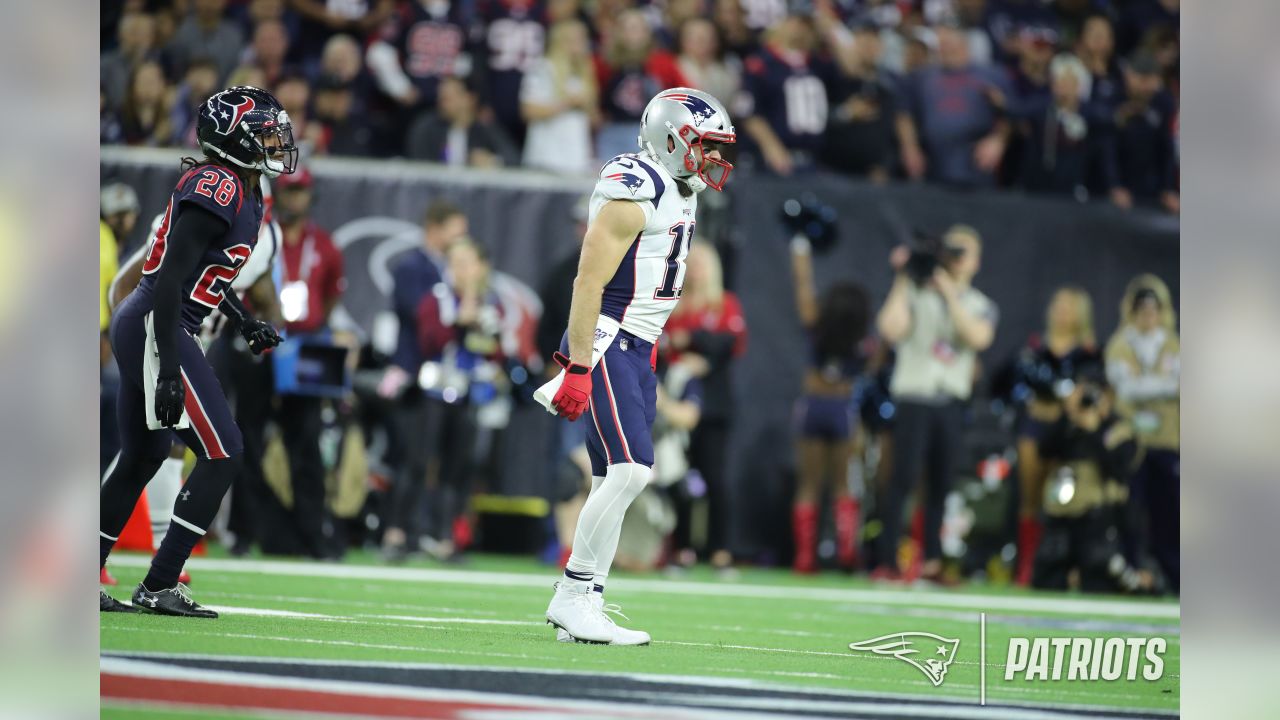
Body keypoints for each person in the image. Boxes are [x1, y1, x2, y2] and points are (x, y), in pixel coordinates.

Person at [538, 87, 735, 645]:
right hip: (610, 339)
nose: (715, 159)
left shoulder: (679, 186)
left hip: (640, 346)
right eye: (706, 146)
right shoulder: (637, 181)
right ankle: (576, 594)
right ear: (671, 140)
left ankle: (585, 597)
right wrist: (578, 366)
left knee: (612, 476)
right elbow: (588, 281)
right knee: (630, 472)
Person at [100, 85, 294, 616]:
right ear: (234, 137)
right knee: (224, 450)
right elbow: (167, 279)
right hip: (158, 321)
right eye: (266, 133)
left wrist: (242, 320)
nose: (277, 141)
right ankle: (161, 582)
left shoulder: (242, 188)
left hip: (157, 322)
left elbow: (204, 273)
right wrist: (166, 366)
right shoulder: (220, 184)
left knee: (142, 456)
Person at [873, 225, 997, 583]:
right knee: (903, 479)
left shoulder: (980, 304)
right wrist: (903, 277)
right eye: (952, 251)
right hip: (915, 396)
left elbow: (978, 337)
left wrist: (950, 293)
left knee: (942, 482)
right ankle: (887, 560)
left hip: (950, 401)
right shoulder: (916, 292)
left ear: (975, 262)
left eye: (964, 253)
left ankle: (932, 561)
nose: (957, 259)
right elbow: (889, 329)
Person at [377, 201, 470, 559]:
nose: (461, 238)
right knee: (412, 458)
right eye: (456, 230)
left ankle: (431, 533)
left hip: (449, 379)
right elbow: (424, 321)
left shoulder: (453, 271)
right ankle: (397, 532)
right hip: (415, 372)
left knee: (446, 461)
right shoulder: (413, 268)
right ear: (434, 228)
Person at [662, 241, 746, 573]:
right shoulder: (674, 303)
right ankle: (683, 548)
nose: (696, 270)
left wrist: (690, 340)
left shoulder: (724, 303)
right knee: (678, 475)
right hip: (677, 401)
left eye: (702, 264)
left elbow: (729, 343)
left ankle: (720, 549)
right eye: (691, 263)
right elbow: (662, 345)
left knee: (715, 476)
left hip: (713, 403)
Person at [788, 233, 869, 573]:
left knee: (808, 483)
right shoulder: (863, 340)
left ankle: (805, 557)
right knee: (841, 483)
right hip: (842, 408)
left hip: (814, 405)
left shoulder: (816, 325)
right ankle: (846, 552)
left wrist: (800, 250)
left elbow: (804, 288)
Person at [1010, 286, 1098, 586]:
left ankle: (1057, 564)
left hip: (1069, 432)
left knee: (1061, 497)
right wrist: (1038, 403)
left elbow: (1091, 391)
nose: (1061, 313)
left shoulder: (1087, 351)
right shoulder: (1036, 348)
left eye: (1068, 307)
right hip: (1036, 426)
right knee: (1030, 496)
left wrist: (1067, 405)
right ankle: (1027, 563)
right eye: (1057, 306)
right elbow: (1019, 384)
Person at [1105, 274, 1179, 592]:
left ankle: (1176, 575)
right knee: (1130, 510)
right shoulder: (1121, 343)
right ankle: (1132, 573)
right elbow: (1125, 387)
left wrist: (1144, 385)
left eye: (1154, 308)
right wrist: (1162, 385)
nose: (1148, 315)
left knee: (1170, 511)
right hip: (1132, 440)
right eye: (1142, 308)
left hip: (1167, 440)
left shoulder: (1174, 343)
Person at [895, 26, 1011, 187]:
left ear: (964, 45)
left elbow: (1009, 113)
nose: (945, 48)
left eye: (950, 43)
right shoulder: (922, 77)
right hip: (932, 161)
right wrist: (910, 147)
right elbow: (904, 113)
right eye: (942, 45)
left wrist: (998, 140)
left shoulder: (991, 75)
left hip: (977, 162)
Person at [520, 19, 598, 175]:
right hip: (546, 158)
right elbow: (528, 111)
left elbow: (593, 119)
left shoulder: (583, 72)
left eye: (582, 39)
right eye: (574, 40)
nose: (580, 44)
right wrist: (568, 103)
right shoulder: (542, 68)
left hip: (576, 159)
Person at [405, 74, 520, 167]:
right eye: (440, 98)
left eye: (447, 98)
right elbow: (417, 163)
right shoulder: (427, 127)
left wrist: (494, 161)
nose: (441, 103)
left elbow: (513, 159)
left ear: (469, 99)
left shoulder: (484, 128)